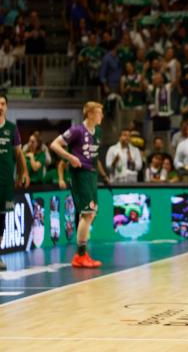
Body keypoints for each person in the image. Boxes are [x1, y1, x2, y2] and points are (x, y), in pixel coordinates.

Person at [50, 101, 110, 268]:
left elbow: (95, 157)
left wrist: (102, 175)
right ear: (90, 114)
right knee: (87, 214)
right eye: (99, 113)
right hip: (80, 175)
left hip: (91, 175)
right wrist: (70, 158)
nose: (102, 116)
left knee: (91, 214)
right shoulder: (77, 130)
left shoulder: (98, 131)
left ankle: (82, 253)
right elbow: (54, 144)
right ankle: (80, 255)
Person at [0, 94, 29, 270]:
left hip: (5, 183)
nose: (0, 107)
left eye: (3, 103)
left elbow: (18, 153)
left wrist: (23, 171)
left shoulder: (12, 129)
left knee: (1, 220)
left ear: (7, 107)